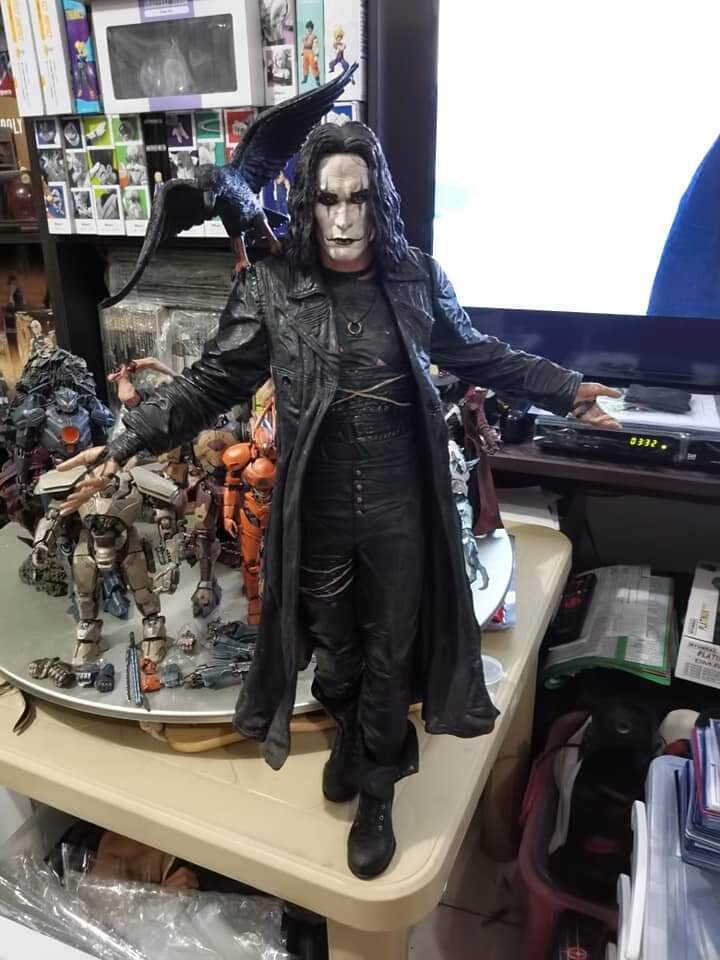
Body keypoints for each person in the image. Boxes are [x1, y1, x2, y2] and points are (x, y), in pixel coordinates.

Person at [60, 122, 619, 879]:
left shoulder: (415, 279)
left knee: (390, 650)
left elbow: (479, 353)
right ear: (308, 203)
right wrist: (124, 439)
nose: (345, 218)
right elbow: (210, 382)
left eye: (358, 199)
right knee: (334, 648)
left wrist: (567, 388)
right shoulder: (271, 287)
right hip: (316, 507)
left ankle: (379, 786)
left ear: (376, 200)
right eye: (329, 200)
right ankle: (355, 736)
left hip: (398, 505)